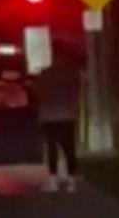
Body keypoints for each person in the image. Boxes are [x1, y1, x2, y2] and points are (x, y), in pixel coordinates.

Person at [34, 46, 83, 192]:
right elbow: (76, 91)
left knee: (52, 148)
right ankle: (71, 180)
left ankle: (53, 180)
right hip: (67, 114)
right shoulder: (72, 74)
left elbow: (37, 92)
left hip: (49, 116)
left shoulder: (45, 74)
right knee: (69, 148)